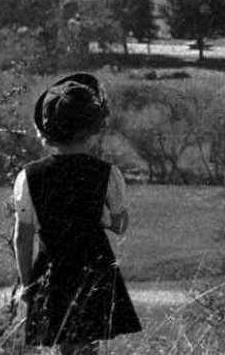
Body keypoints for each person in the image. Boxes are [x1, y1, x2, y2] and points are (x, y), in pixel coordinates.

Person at [13, 73, 142, 354]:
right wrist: (103, 219)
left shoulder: (28, 176)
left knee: (66, 346)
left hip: (51, 271)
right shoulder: (108, 174)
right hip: (94, 270)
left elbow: (22, 237)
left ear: (46, 130)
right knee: (86, 346)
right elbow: (120, 225)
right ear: (93, 128)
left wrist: (27, 285)